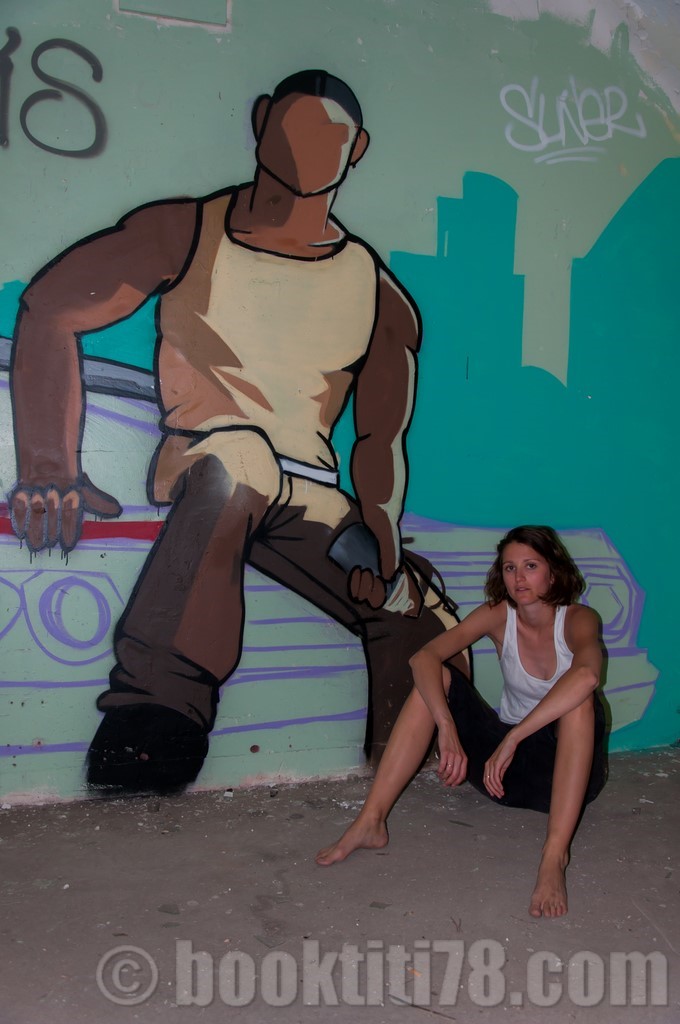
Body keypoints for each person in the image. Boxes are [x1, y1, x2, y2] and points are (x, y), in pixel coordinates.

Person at [9, 69, 469, 794]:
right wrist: (46, 466)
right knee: (242, 464)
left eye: (330, 136)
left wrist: (380, 534)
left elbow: (381, 438)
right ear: (260, 122)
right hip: (210, 455)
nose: (310, 147)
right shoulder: (187, 230)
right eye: (293, 126)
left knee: (417, 608)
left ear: (357, 149)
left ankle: (415, 762)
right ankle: (152, 719)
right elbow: (51, 306)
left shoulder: (377, 291)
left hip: (309, 491)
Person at [316, 525, 607, 919]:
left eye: (531, 566)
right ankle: (371, 820)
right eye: (509, 567)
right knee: (434, 677)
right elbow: (423, 658)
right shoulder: (498, 616)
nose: (519, 578)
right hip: (502, 774)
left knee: (579, 703)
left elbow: (587, 675)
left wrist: (514, 737)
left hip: (568, 774)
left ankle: (554, 856)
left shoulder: (578, 619)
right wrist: (446, 726)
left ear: (553, 572)